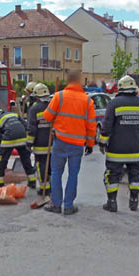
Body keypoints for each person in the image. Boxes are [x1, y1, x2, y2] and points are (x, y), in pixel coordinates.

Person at [43, 70, 96, 215]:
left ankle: (56, 204)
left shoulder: (59, 96)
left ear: (68, 81)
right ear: (79, 82)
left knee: (56, 173)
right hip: (77, 144)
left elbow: (47, 116)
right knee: (73, 175)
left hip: (60, 141)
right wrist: (90, 145)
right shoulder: (87, 101)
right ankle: (68, 206)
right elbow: (91, 126)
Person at [99, 76, 139, 212]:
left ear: (121, 88)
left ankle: (112, 202)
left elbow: (106, 126)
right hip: (136, 148)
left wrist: (102, 143)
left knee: (112, 175)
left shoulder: (114, 103)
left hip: (116, 148)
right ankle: (134, 201)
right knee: (135, 175)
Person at [0, 105, 36, 190]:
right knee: (26, 160)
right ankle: (32, 181)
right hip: (23, 139)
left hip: (8, 140)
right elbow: (26, 126)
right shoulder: (14, 114)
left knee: (1, 161)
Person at [26, 83, 52, 196]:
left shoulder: (34, 109)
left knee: (40, 165)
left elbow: (32, 128)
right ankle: (50, 186)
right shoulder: (53, 106)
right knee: (50, 165)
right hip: (52, 142)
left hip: (40, 144)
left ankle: (43, 188)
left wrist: (29, 143)